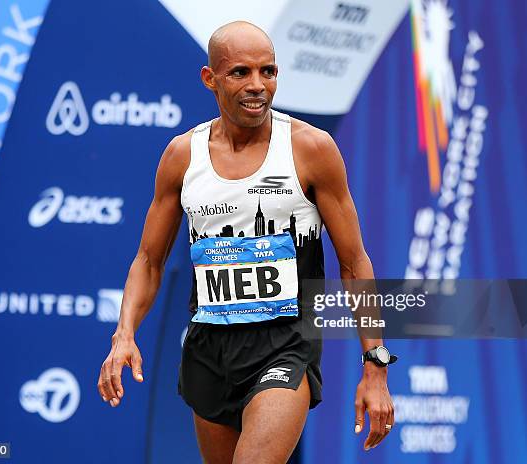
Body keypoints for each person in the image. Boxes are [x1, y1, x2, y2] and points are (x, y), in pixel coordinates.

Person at [98, 21, 396, 464]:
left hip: (285, 345)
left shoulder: (310, 148)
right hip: (208, 349)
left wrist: (375, 366)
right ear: (210, 79)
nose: (258, 85)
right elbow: (149, 260)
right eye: (240, 72)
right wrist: (124, 334)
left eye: (268, 72)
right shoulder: (183, 155)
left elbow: (353, 262)